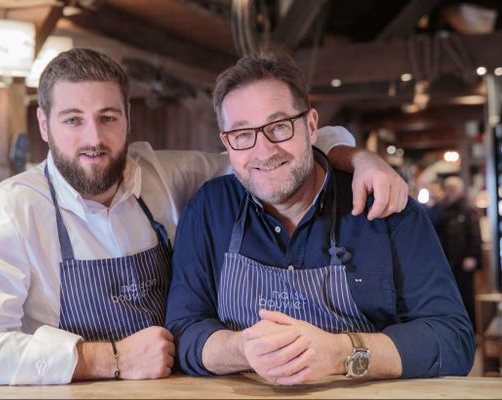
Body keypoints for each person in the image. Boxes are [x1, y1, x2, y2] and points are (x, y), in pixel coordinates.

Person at [0, 48, 408, 386]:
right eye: (72, 120)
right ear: (44, 125)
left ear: (128, 119)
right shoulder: (11, 209)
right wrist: (107, 359)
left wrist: (360, 158)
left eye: (108, 117)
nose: (94, 138)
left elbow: (264, 151)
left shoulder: (162, 176)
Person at [166, 50, 475, 384]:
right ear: (226, 142)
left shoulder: (387, 211)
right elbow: (183, 329)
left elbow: (451, 339)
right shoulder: (210, 209)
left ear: (311, 126)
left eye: (280, 126)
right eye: (243, 134)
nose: (264, 151)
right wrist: (242, 349)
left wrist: (342, 353)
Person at [432, 176, 482, 330]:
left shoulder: (467, 208)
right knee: (449, 298)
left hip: (463, 262)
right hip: (447, 262)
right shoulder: (443, 209)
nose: (451, 192)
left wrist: (472, 256)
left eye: (453, 189)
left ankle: (471, 331)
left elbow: (475, 235)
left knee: (467, 298)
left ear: (459, 190)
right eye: (448, 189)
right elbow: (435, 228)